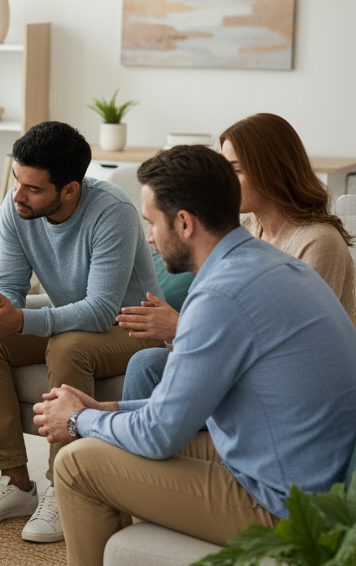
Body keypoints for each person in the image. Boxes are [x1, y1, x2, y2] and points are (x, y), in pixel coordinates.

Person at [11, 145, 356, 566]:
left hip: (289, 510)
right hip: (314, 477)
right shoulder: (271, 264)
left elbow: (161, 435)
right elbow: (176, 410)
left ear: (184, 223)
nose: (148, 238)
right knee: (109, 434)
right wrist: (99, 412)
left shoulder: (219, 295)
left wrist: (79, 424)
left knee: (76, 465)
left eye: (151, 223)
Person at [0, 121, 164, 542]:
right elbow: (10, 282)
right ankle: (15, 481)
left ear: (70, 189)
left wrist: (22, 320)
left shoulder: (113, 212)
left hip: (133, 328)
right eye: (18, 181)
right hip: (78, 318)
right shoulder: (17, 208)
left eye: (33, 188)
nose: (18, 195)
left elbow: (102, 309)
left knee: (69, 347)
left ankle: (63, 487)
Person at [117, 113, 356, 399]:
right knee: (148, 363)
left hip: (283, 387)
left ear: (273, 171)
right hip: (238, 366)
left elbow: (290, 347)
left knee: (149, 367)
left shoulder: (318, 242)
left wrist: (180, 327)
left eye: (237, 170)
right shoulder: (248, 228)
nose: (226, 182)